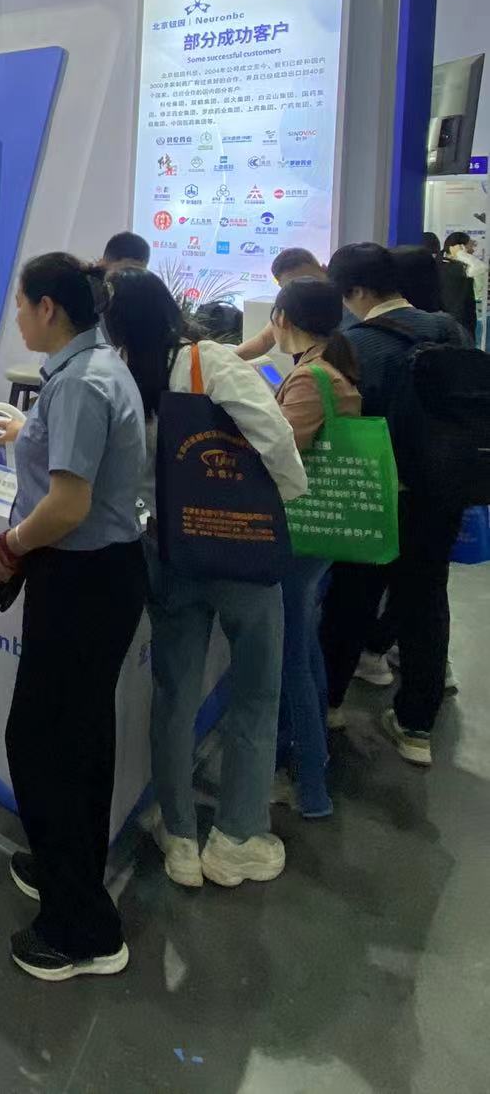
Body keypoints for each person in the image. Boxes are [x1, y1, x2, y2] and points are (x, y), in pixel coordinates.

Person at [0, 252, 147, 982]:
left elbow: (69, 506)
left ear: (49, 308)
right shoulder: (91, 368)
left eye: (21, 304)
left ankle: (83, 931)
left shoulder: (80, 382)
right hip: (90, 575)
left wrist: (8, 548)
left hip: (84, 578)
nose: (17, 317)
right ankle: (63, 866)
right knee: (73, 738)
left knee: (48, 743)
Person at [104, 269, 306, 890]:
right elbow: (272, 433)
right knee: (256, 692)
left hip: (169, 552)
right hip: (242, 553)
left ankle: (180, 837)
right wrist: (286, 496)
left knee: (174, 694)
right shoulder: (206, 362)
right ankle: (237, 838)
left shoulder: (119, 376)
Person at [320, 243, 470, 765]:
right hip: (444, 492)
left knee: (351, 600)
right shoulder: (448, 330)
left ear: (357, 291)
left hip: (375, 494)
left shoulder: (352, 344)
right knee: (425, 602)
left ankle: (330, 704)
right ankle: (416, 727)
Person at [270, 276, 363, 820]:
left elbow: (279, 451)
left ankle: (309, 787)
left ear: (284, 318)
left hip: (298, 531)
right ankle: (309, 764)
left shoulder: (311, 377)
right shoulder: (330, 366)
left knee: (291, 660)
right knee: (304, 649)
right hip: (318, 531)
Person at [235, 248, 325, 362]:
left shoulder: (344, 299)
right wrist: (222, 360)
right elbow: (264, 340)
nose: (306, 292)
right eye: (294, 288)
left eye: (310, 281)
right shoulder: (292, 303)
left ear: (324, 269)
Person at [443, 231, 485, 336]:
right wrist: (460, 254)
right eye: (470, 246)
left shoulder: (459, 267)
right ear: (460, 247)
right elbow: (481, 268)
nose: (472, 250)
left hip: (459, 320)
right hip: (458, 322)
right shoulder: (452, 267)